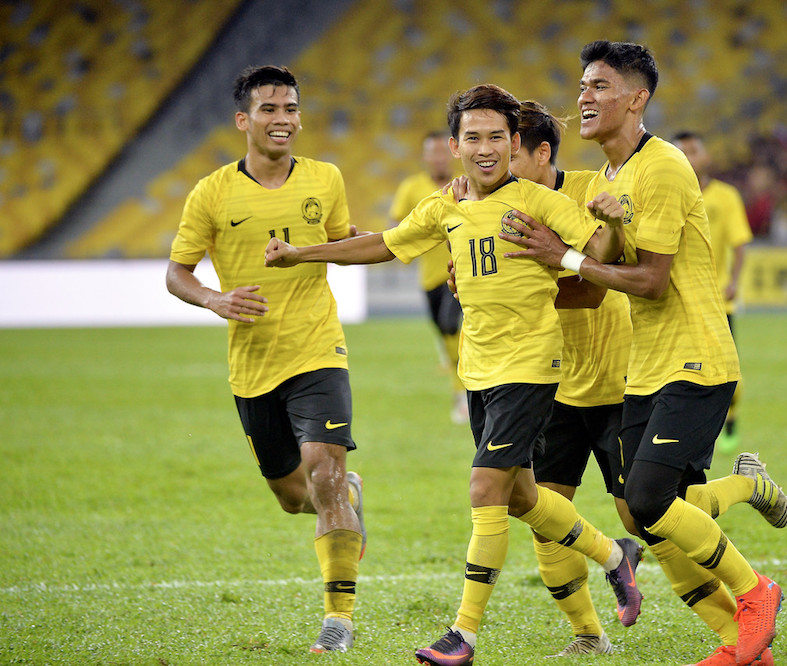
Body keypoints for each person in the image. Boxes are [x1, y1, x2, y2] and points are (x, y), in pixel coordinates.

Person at [263, 83, 644, 666]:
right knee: (519, 496)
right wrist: (301, 253)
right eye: (474, 137)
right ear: (455, 145)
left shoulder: (539, 202)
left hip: (531, 368)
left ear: (515, 143)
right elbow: (384, 246)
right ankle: (616, 556)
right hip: (479, 370)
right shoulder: (446, 205)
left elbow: (603, 252)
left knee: (484, 488)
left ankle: (462, 634)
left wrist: (613, 224)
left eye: (497, 137)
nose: (485, 148)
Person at [499, 42, 787, 666]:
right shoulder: (608, 178)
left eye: (600, 86)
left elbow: (651, 280)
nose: (585, 97)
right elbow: (588, 280)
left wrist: (567, 254)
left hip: (696, 358)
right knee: (648, 516)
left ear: (637, 99)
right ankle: (748, 647)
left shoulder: (661, 167)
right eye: (582, 85)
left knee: (652, 501)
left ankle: (756, 593)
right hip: (646, 369)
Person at [164, 65, 366, 654]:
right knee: (294, 496)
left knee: (323, 475)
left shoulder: (326, 178)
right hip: (252, 364)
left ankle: (338, 620)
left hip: (317, 349)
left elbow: (343, 240)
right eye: (271, 110)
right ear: (243, 120)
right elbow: (178, 273)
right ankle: (346, 498)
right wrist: (215, 298)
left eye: (292, 110)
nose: (283, 121)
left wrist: (340, 246)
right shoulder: (212, 192)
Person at [508, 100, 632, 656]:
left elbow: (594, 289)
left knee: (647, 513)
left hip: (618, 381)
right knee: (543, 514)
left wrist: (524, 284)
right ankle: (589, 636)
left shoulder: (587, 194)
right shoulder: (496, 206)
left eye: (511, 154)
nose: (498, 166)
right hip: (553, 384)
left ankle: (747, 486)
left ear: (540, 152)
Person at [673, 131, 753, 453]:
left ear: (706, 156)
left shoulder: (726, 196)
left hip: (719, 299)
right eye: (683, 152)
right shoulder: (669, 195)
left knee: (728, 374)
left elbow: (740, 243)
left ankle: (731, 413)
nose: (690, 157)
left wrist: (734, 280)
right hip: (680, 300)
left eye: (695, 150)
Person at [388, 131, 467, 423]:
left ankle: (466, 392)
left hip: (458, 272)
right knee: (445, 336)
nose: (438, 158)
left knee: (451, 325)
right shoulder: (412, 187)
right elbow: (396, 224)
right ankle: (460, 389)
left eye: (441, 152)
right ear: (425, 157)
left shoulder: (463, 185)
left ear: (451, 153)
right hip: (429, 279)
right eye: (432, 153)